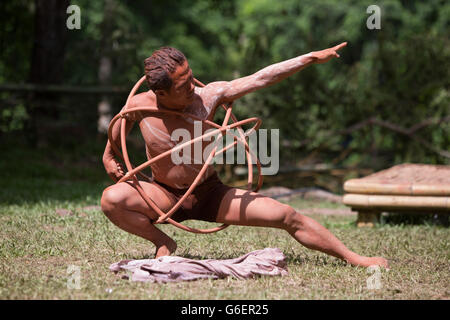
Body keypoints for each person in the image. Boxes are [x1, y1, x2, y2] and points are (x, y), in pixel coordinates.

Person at [101, 44, 389, 269]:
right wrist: (108, 156)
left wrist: (309, 58)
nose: (193, 87)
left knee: (286, 215)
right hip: (161, 193)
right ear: (161, 93)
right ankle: (163, 242)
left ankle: (354, 257)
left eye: (191, 77)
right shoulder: (139, 106)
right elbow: (117, 131)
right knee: (111, 199)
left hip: (209, 193)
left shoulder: (208, 98)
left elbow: (260, 77)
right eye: (183, 85)